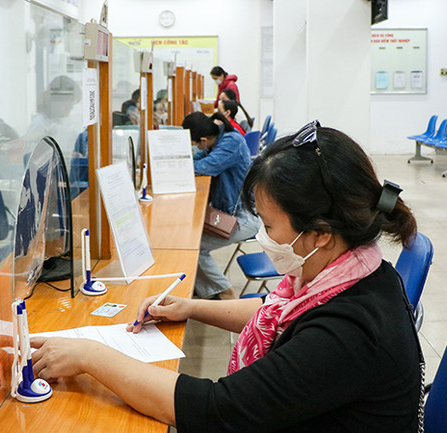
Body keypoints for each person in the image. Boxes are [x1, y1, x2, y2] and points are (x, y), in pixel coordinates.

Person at [30, 121, 424, 432]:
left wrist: (90, 355)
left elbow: (217, 412)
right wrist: (190, 306)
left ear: (320, 233)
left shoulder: (350, 333)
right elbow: (275, 309)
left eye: (269, 226)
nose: (261, 237)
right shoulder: (353, 269)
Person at [184, 111, 259, 300]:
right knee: (190, 237)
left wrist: (179, 164)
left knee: (193, 246)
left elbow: (206, 166)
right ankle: (202, 288)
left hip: (245, 217)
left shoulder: (231, 142)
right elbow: (200, 159)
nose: (196, 148)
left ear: (202, 139)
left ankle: (224, 291)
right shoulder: (218, 139)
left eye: (195, 144)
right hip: (232, 212)